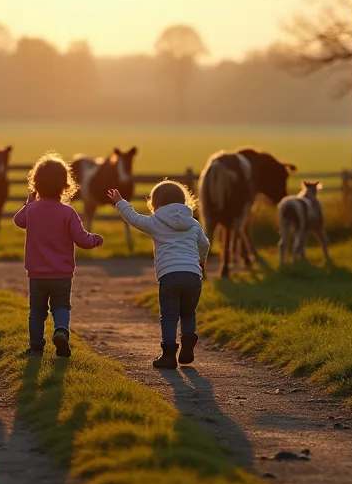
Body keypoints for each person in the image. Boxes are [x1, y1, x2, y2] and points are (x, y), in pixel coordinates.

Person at [106, 180, 209, 369]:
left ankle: (169, 356)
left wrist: (120, 201)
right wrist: (201, 260)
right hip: (193, 276)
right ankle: (188, 344)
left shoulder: (155, 222)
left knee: (169, 316)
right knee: (188, 313)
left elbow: (134, 218)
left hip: (169, 276)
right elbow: (205, 244)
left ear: (156, 204)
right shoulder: (193, 224)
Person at [13, 153, 103, 357]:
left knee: (37, 311)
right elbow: (82, 240)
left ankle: (36, 347)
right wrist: (96, 239)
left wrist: (28, 201)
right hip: (62, 274)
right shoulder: (68, 213)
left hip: (37, 275)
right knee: (61, 307)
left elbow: (18, 221)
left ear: (35, 183)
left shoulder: (32, 210)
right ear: (65, 185)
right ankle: (61, 331)